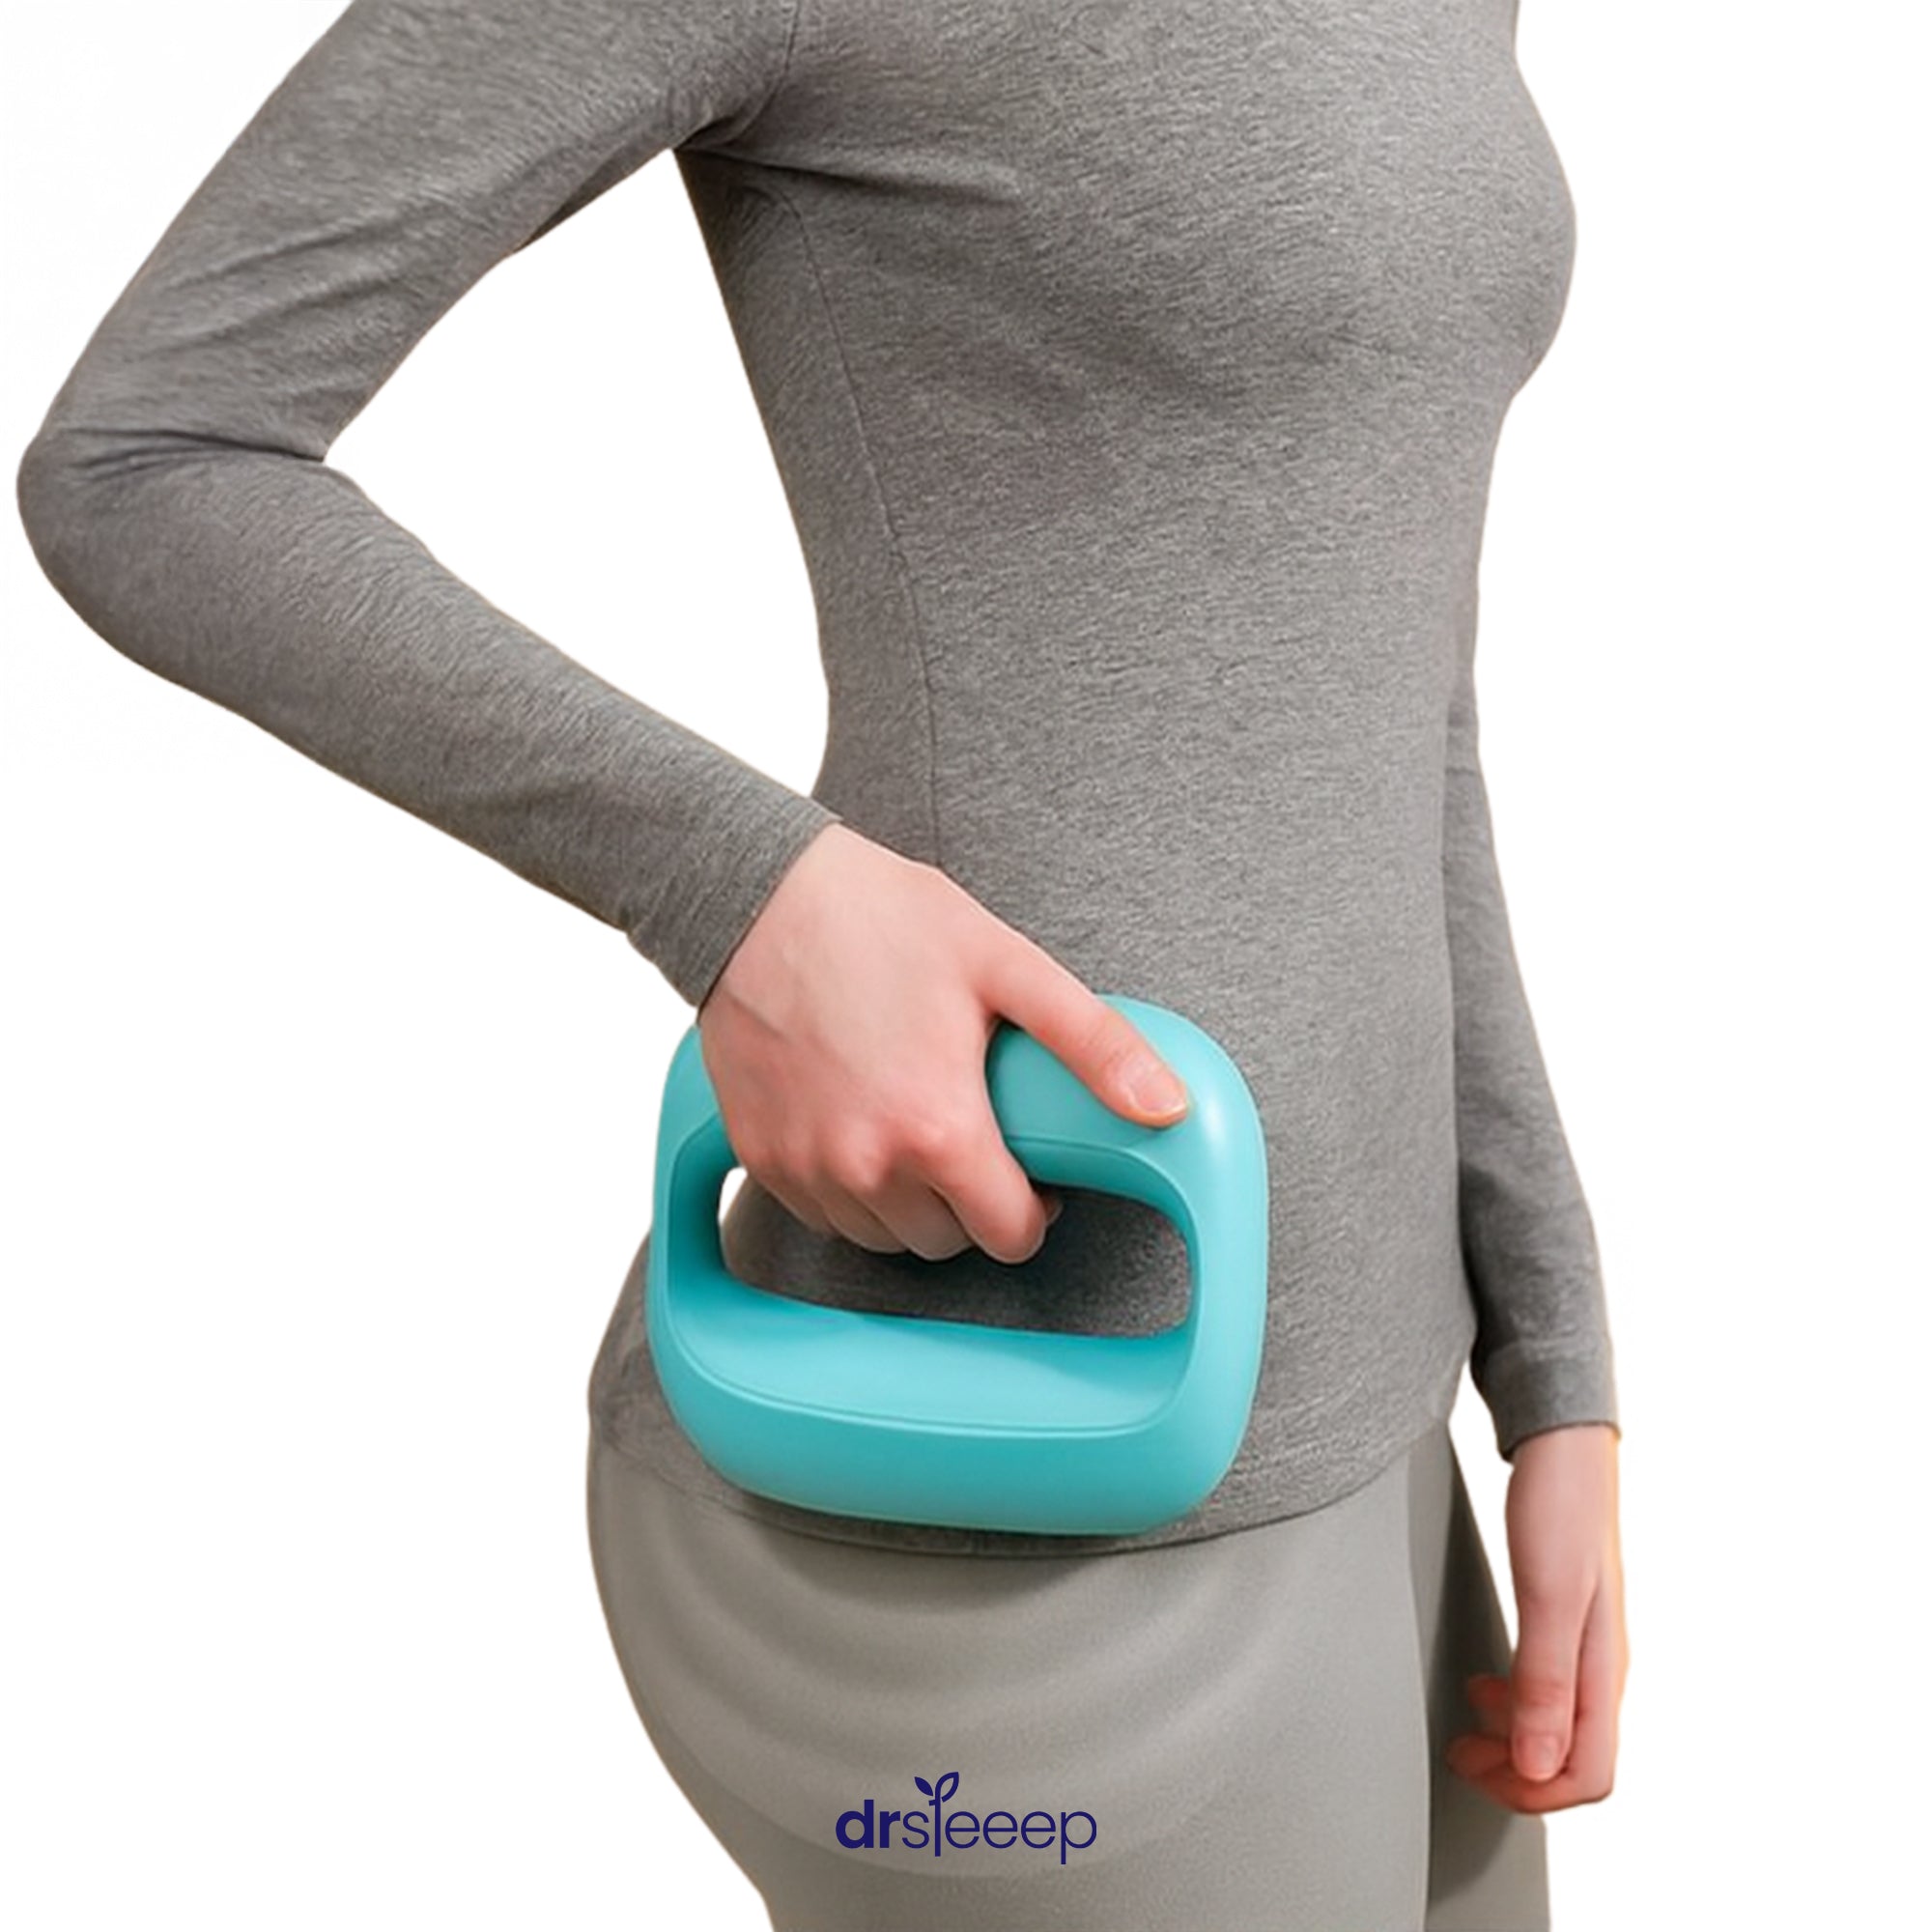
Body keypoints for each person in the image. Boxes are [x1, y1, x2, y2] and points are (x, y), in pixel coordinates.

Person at [16, 0, 1630, 1925]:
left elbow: (1388, 703)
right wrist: (747, 890)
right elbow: (152, 456)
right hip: (1001, 1450)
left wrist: (1553, 1369)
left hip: (1373, 1420)